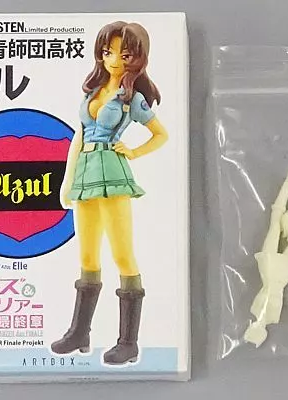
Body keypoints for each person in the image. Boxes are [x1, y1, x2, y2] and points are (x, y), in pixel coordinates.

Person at [51, 21, 168, 366]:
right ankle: (79, 333)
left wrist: (133, 152)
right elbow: (79, 136)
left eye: (124, 54)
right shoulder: (93, 91)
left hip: (112, 174)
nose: (114, 59)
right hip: (85, 175)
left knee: (122, 254)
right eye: (107, 52)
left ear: (137, 58)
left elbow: (160, 134)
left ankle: (128, 342)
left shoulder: (132, 99)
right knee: (87, 256)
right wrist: (67, 181)